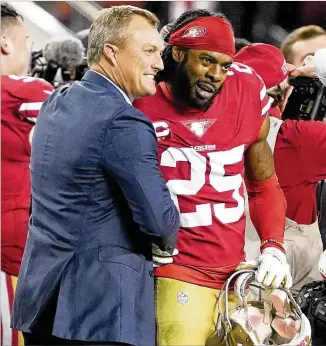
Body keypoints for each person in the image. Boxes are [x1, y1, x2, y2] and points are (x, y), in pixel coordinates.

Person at [11, 5, 180, 346]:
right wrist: (165, 233)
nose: (159, 64)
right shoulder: (123, 120)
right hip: (98, 311)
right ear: (111, 52)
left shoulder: (56, 100)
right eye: (148, 51)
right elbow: (159, 221)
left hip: (42, 298)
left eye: (159, 53)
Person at [134, 9, 292, 346]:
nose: (215, 75)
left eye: (224, 65)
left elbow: (263, 184)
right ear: (177, 52)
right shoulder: (139, 97)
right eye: (206, 60)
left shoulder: (247, 89)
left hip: (235, 271)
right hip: (177, 266)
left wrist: (273, 246)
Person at [236, 43, 326, 295]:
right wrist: (321, 68)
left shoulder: (209, 129)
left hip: (227, 276)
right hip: (282, 291)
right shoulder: (295, 139)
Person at [1, 3, 54, 346]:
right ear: (5, 42)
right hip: (9, 257)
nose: (29, 50)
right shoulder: (25, 91)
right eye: (25, 41)